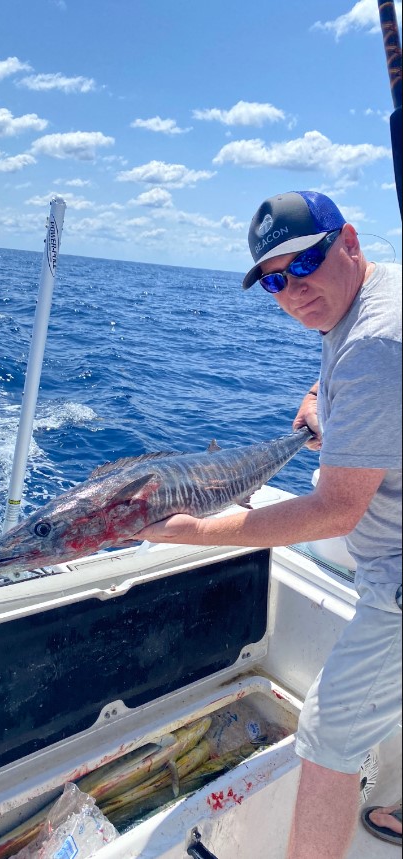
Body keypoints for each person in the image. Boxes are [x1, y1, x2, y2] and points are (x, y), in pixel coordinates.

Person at [136, 190, 402, 859]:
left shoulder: (372, 343)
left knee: (328, 733)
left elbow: (335, 509)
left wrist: (192, 533)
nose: (292, 290)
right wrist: (322, 399)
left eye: (304, 263)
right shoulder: (371, 293)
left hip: (393, 564)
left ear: (348, 242)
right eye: (274, 280)